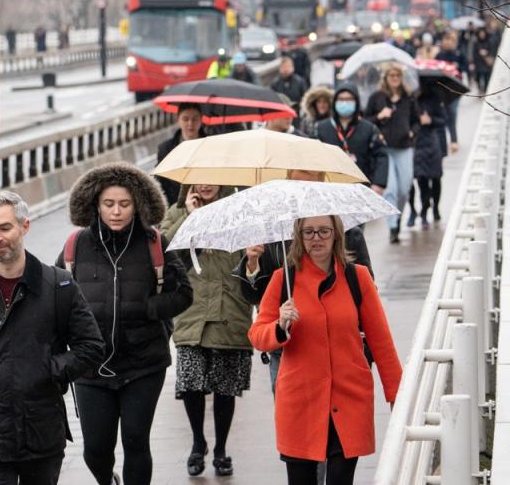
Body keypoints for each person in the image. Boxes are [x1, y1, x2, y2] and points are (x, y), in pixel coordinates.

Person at [0, 191, 104, 485]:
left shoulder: (59, 285)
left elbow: (91, 347)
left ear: (24, 226)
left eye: (5, 228)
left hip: (40, 431)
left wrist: (47, 369)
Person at [55, 164, 193, 485]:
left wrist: (148, 308)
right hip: (91, 368)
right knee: (95, 450)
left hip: (144, 364)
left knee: (135, 440)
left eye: (124, 204)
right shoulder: (76, 246)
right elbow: (54, 295)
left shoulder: (155, 243)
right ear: (96, 205)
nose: (116, 212)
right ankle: (107, 480)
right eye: (109, 204)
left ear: (137, 205)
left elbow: (184, 293)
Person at [249, 214, 402, 485]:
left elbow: (382, 342)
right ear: (298, 237)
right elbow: (258, 336)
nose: (316, 238)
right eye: (308, 232)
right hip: (300, 402)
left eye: (323, 231)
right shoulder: (283, 279)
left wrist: (398, 396)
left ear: (337, 235)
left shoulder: (358, 277)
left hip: (348, 398)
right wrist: (280, 325)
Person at [237, 170, 373, 397]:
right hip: (288, 346)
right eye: (298, 186)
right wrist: (252, 264)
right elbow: (254, 297)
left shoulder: (349, 234)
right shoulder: (273, 235)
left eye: (311, 188)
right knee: (293, 418)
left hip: (337, 346)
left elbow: (368, 295)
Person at [160, 183, 250, 478]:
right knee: (190, 382)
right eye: (200, 179)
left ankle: (222, 448)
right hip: (191, 309)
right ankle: (198, 442)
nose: (206, 185)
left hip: (229, 308)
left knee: (225, 387)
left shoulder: (240, 212)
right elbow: (164, 253)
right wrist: (189, 216)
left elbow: (250, 264)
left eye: (212, 178)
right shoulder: (176, 212)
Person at [364, 65, 419, 243]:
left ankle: (398, 215)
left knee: (404, 188)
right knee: (391, 190)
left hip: (404, 147)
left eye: (398, 75)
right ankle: (393, 226)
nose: (395, 78)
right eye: (391, 75)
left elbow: (416, 121)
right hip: (384, 148)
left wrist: (412, 132)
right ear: (385, 77)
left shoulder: (408, 98)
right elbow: (365, 121)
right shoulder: (377, 98)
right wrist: (379, 116)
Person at [316, 83, 388, 199]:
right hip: (329, 187)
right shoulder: (321, 128)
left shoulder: (369, 128)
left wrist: (379, 183)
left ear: (356, 102)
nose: (344, 102)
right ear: (335, 102)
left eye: (349, 99)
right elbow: (314, 155)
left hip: (362, 186)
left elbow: (381, 155)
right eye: (341, 99)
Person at [409, 87, 448, 227]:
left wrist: (430, 120)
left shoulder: (436, 97)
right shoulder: (411, 99)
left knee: (436, 177)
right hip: (418, 142)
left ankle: (436, 207)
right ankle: (424, 210)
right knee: (421, 178)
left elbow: (443, 120)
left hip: (433, 141)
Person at [156, 103, 206, 206]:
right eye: (185, 119)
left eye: (195, 119)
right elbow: (161, 182)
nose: (190, 124)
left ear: (201, 120)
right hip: (176, 205)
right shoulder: (165, 149)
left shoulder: (210, 145)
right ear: (178, 120)